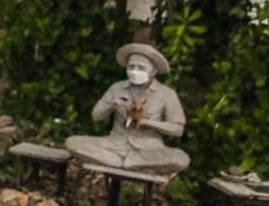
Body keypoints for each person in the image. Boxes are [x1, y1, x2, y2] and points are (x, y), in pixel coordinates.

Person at [64, 43, 190, 175]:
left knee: (180, 158)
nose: (135, 70)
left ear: (153, 71)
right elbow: (95, 116)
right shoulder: (116, 88)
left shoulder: (167, 94)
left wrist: (147, 123)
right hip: (114, 145)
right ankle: (123, 162)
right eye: (131, 66)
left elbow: (177, 129)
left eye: (141, 67)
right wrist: (111, 106)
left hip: (149, 150)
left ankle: (127, 161)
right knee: (73, 142)